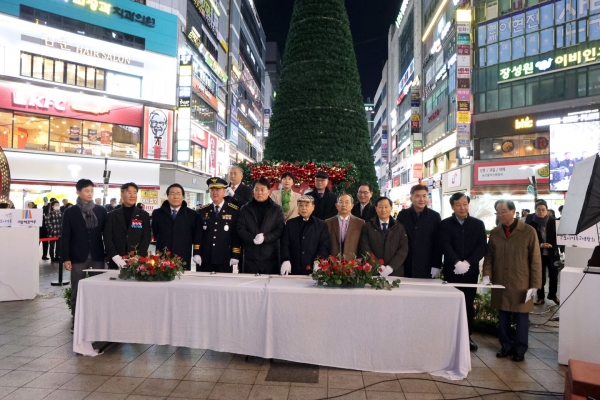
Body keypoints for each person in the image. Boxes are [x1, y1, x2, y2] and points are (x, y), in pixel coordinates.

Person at [483, 199, 542, 362]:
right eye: (498, 212)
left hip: (521, 281)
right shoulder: (495, 233)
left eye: (503, 211)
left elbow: (535, 259)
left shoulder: (528, 231)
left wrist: (536, 284)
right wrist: (487, 274)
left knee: (522, 316)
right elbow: (489, 256)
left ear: (513, 211)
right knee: (503, 315)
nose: (500, 215)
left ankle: (520, 349)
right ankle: (505, 346)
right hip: (501, 280)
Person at [439, 193, 487, 352]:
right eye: (458, 204)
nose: (462, 207)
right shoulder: (445, 224)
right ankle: (450, 336)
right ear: (452, 206)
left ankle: (467, 337)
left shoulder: (478, 224)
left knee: (467, 304)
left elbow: (481, 247)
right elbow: (445, 245)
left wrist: (468, 263)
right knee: (451, 304)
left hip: (470, 272)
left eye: (465, 204)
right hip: (452, 271)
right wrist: (456, 262)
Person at [61, 179, 108, 330]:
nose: (89, 193)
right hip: (77, 257)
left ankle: (97, 320)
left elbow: (106, 234)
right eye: (86, 191)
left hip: (97, 255)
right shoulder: (70, 212)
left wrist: (107, 253)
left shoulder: (101, 211)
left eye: (91, 191)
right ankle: (77, 321)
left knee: (98, 289)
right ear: (78, 192)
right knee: (77, 289)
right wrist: (65, 258)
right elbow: (65, 236)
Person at [236, 177, 285, 274]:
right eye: (256, 189)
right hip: (250, 256)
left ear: (269, 191)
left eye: (262, 189)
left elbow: (279, 230)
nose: (259, 192)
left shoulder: (276, 209)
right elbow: (240, 229)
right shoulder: (245, 209)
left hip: (270, 256)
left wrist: (265, 238)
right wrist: (252, 238)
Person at [196, 177, 242, 273]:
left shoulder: (233, 210)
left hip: (224, 258)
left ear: (224, 191)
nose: (215, 193)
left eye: (218, 190)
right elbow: (198, 234)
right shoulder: (203, 210)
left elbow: (235, 235)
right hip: (205, 258)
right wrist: (196, 253)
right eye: (212, 190)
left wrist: (235, 254)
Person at [151, 183, 201, 270]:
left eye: (178, 193)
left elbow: (196, 235)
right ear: (168, 196)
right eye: (172, 193)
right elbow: (155, 232)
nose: (175, 197)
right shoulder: (157, 213)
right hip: (163, 255)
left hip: (183, 255)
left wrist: (196, 252)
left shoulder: (192, 215)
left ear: (183, 196)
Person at [396, 184, 442, 278]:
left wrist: (436, 264)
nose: (421, 199)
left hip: (426, 264)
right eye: (417, 196)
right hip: (405, 263)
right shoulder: (403, 215)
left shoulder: (434, 216)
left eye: (424, 196)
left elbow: (438, 242)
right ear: (411, 198)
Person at [104, 183, 151, 270]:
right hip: (116, 260)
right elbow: (107, 237)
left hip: (137, 261)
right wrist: (115, 256)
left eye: (135, 192)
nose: (132, 195)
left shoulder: (143, 215)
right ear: (121, 194)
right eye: (129, 192)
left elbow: (146, 237)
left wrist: (138, 257)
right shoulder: (112, 215)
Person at [280, 195, 331, 275]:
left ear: (313, 207)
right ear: (297, 207)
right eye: (301, 205)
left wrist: (319, 261)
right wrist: (286, 259)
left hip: (312, 268)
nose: (304, 208)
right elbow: (285, 244)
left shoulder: (321, 225)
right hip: (293, 268)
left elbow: (324, 245)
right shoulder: (290, 224)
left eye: (307, 205)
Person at [359, 196, 409, 277]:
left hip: (395, 272)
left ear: (391, 208)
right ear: (376, 208)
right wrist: (378, 266)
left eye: (386, 207)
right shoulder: (367, 227)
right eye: (380, 207)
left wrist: (390, 267)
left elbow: (403, 249)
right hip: (373, 272)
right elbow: (365, 249)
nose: (383, 210)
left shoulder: (399, 227)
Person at [526, 202, 559, 306]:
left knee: (554, 275)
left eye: (543, 209)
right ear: (535, 210)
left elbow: (559, 237)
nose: (541, 211)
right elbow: (528, 239)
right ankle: (540, 297)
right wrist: (540, 245)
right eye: (539, 209)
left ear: (547, 210)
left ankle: (553, 295)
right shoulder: (531, 223)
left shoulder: (554, 222)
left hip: (552, 253)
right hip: (538, 253)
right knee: (539, 276)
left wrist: (552, 244)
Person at [325, 193, 365, 260]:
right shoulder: (328, 222)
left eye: (347, 202)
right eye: (341, 202)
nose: (344, 205)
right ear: (336, 205)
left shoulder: (360, 223)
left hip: (353, 263)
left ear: (352, 206)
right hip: (333, 264)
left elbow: (362, 245)